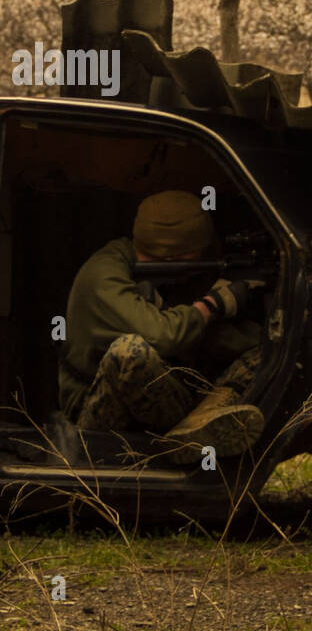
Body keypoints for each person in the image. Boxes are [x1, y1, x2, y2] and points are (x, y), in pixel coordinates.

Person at [58, 190, 265, 463]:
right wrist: (212, 305)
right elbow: (162, 336)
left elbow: (208, 341)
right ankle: (176, 442)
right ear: (172, 258)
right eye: (195, 258)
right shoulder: (103, 274)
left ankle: (192, 432)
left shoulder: (168, 282)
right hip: (97, 419)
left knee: (270, 345)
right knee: (130, 352)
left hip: (169, 404)